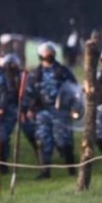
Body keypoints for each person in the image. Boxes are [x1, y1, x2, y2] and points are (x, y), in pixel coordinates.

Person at [23, 42, 78, 179]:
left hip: (61, 111)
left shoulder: (63, 71)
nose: (47, 55)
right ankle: (44, 172)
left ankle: (71, 169)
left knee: (63, 142)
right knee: (42, 141)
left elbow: (74, 90)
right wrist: (29, 108)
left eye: (49, 53)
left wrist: (74, 107)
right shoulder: (36, 74)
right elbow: (29, 93)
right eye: (44, 53)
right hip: (42, 111)